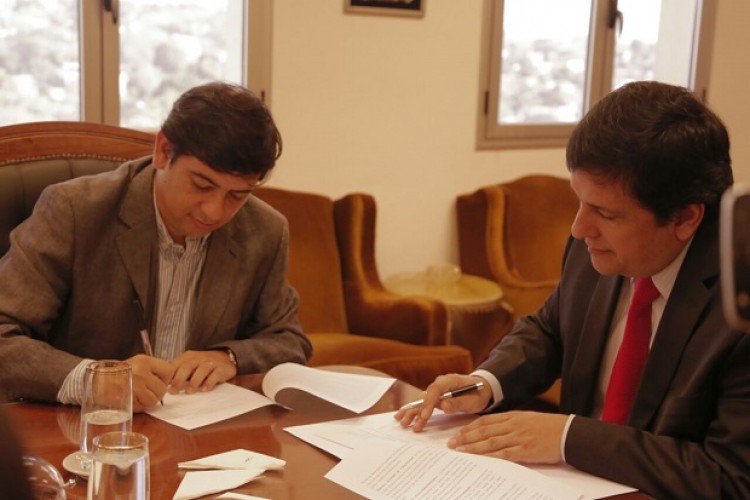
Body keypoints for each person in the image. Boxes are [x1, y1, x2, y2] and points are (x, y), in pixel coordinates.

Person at [396, 81, 750, 498]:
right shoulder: (594, 248)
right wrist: (485, 384)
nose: (579, 228)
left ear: (686, 218)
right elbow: (550, 330)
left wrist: (568, 437)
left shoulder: (739, 306)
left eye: (605, 213)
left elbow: (729, 477)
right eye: (579, 200)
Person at [0, 81, 312, 412]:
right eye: (202, 185)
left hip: (199, 429)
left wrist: (230, 357)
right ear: (163, 151)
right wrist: (94, 380)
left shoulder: (265, 230)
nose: (214, 212)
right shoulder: (75, 210)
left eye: (237, 195)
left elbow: (290, 341)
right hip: (81, 425)